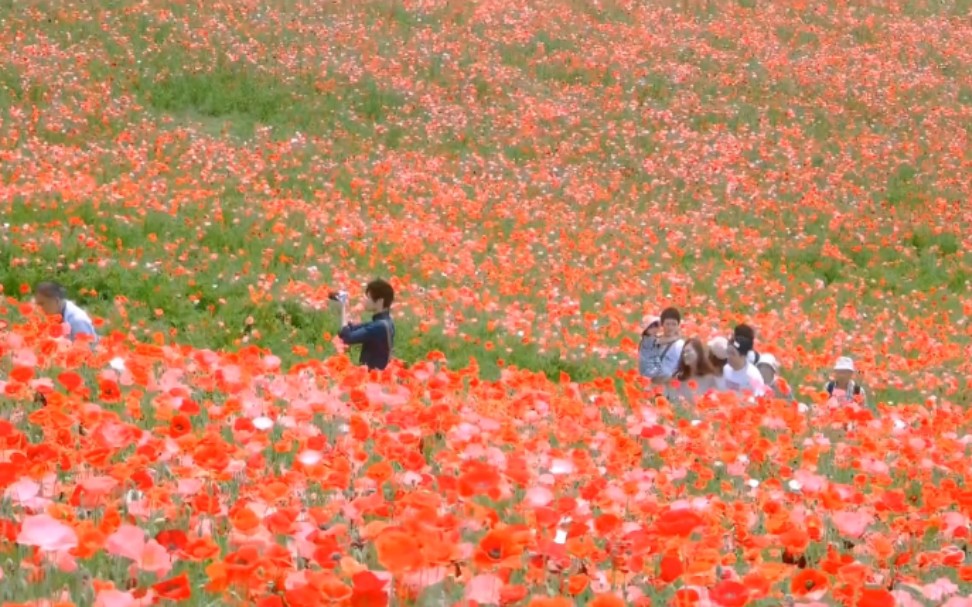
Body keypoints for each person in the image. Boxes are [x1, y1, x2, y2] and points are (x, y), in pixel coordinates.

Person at [334, 279, 396, 371]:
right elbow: (347, 330)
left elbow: (347, 337)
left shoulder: (379, 326)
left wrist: (343, 307)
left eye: (369, 297)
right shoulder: (386, 322)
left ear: (380, 301)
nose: (365, 300)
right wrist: (351, 313)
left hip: (373, 377)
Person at [33, 281, 98, 344]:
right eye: (37, 305)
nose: (39, 308)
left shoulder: (77, 321)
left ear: (56, 301)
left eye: (41, 304)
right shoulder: (58, 309)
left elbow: (86, 351)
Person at [637, 308, 684, 385]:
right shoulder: (649, 340)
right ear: (662, 324)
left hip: (668, 384)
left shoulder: (680, 345)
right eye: (668, 324)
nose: (670, 327)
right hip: (651, 376)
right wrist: (676, 337)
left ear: (678, 325)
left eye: (674, 324)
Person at [669, 338, 720, 403]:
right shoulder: (679, 378)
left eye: (688, 351)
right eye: (683, 352)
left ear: (698, 352)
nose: (685, 355)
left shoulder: (710, 378)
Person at [722, 324, 766, 396]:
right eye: (728, 352)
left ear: (742, 355)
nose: (729, 356)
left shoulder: (753, 376)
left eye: (733, 354)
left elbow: (760, 399)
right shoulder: (725, 369)